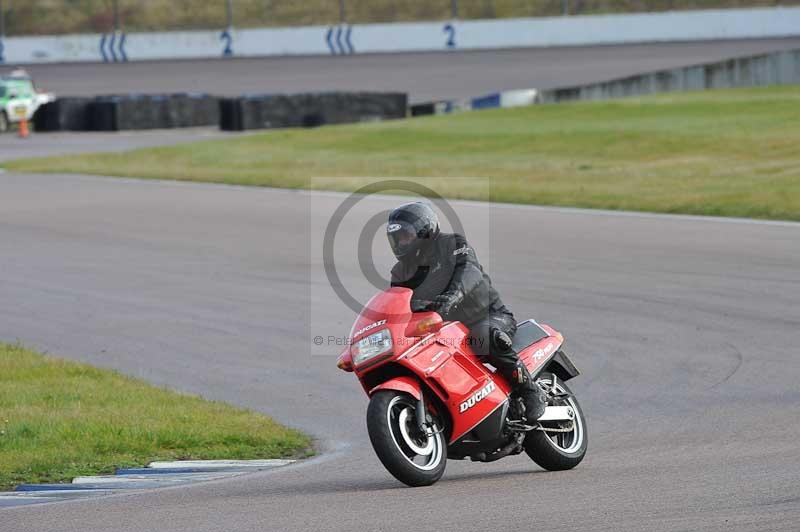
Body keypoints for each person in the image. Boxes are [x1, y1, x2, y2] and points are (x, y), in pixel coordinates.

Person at [386, 201, 546, 421]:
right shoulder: (400, 272)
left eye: (406, 236)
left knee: (485, 337)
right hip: (445, 332)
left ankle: (530, 391)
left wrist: (451, 297)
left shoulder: (452, 243)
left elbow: (469, 272)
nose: (401, 243)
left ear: (425, 230)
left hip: (488, 316)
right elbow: (397, 304)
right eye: (397, 239)